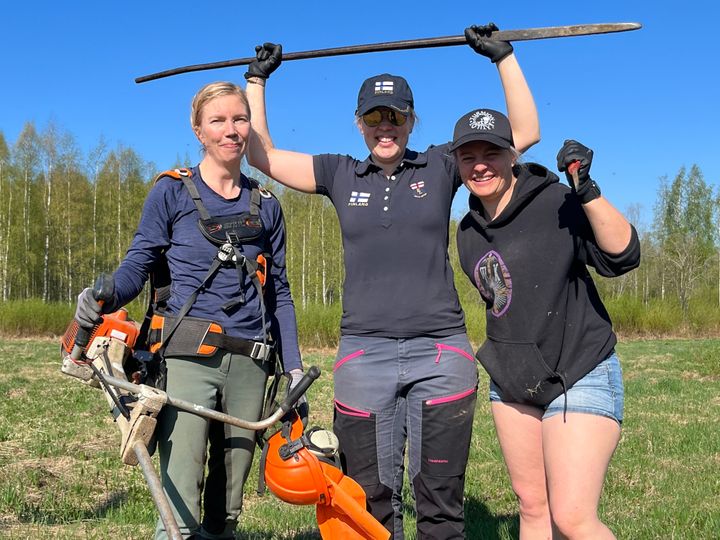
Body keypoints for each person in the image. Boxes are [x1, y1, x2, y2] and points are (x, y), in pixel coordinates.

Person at [244, 24, 540, 539]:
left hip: (441, 354)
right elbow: (261, 155)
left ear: (410, 120)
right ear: (359, 123)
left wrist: (502, 58)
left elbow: (524, 132)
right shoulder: (338, 173)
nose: (386, 127)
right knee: (367, 498)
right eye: (375, 117)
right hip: (364, 357)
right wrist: (256, 81)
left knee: (441, 500)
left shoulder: (441, 164)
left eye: (396, 116)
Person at [74, 81, 303, 540]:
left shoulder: (268, 205)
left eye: (239, 119)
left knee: (228, 504)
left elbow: (279, 291)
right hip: (187, 357)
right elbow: (138, 264)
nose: (231, 130)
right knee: (178, 501)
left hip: (252, 364)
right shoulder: (171, 192)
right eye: (217, 120)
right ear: (198, 130)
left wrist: (293, 368)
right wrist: (104, 297)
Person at [452, 108, 640, 539]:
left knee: (572, 516)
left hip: (579, 371)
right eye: (468, 156)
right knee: (534, 508)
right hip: (514, 383)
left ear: (512, 155)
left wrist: (586, 191)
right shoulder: (467, 231)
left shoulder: (557, 203)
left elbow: (623, 256)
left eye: (491, 152)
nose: (480, 164)